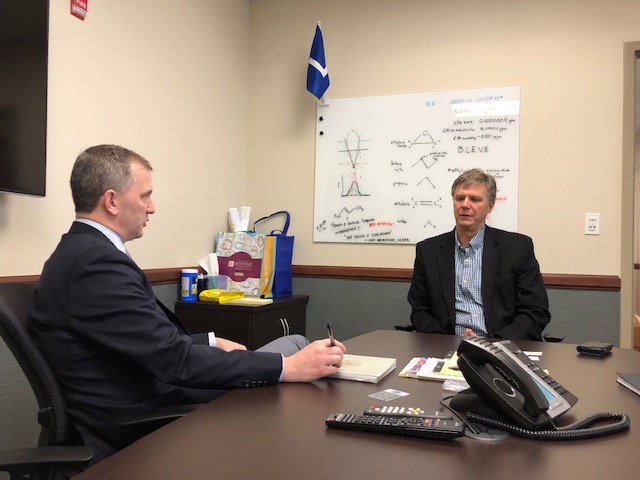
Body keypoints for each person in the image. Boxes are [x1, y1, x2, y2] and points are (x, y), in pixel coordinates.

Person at [29, 145, 346, 468]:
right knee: (295, 350)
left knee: (296, 345)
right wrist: (286, 368)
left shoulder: (83, 253)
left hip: (154, 390)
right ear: (111, 201)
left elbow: (139, 341)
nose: (152, 208)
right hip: (147, 419)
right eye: (145, 196)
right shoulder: (95, 264)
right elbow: (174, 360)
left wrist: (210, 341)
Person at [407, 168, 550, 340]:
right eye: (460, 198)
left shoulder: (517, 248)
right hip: (446, 346)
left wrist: (492, 344)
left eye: (474, 199)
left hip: (500, 345)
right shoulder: (428, 251)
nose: (465, 205)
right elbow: (420, 310)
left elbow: (535, 311)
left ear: (490, 206)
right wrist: (443, 343)